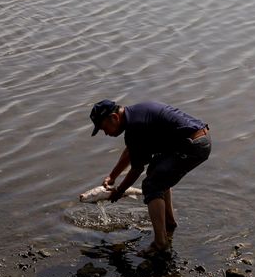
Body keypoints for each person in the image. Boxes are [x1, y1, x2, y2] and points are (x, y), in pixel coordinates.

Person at [89, 99, 211, 256]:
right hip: (197, 139)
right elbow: (130, 151)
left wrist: (119, 191)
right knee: (156, 171)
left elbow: (137, 168)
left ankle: (160, 243)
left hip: (194, 145)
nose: (105, 133)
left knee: (152, 185)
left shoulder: (136, 126)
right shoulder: (136, 115)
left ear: (114, 117)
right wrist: (112, 176)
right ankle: (169, 223)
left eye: (104, 127)